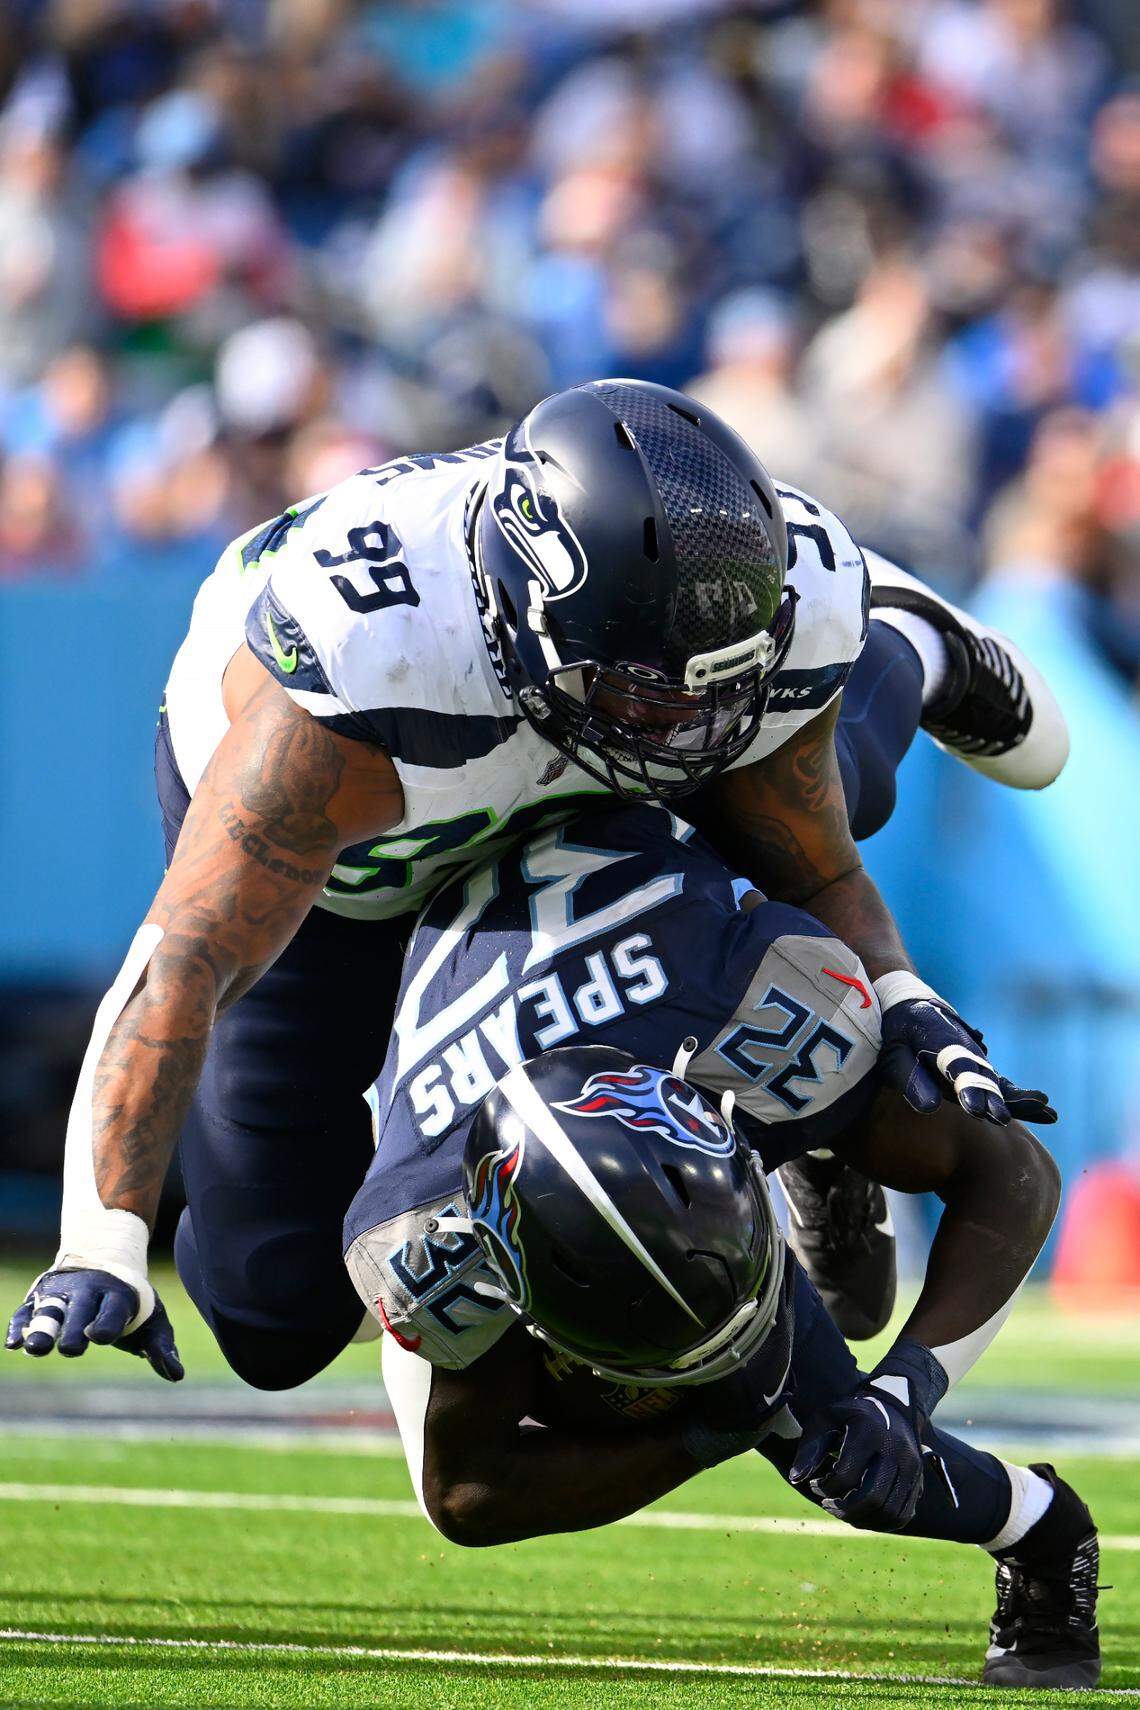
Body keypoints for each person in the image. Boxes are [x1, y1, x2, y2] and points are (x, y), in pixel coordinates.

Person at [6, 379, 1068, 1388]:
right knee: (272, 1314)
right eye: (643, 687)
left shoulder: (772, 602)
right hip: (354, 886)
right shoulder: (359, 675)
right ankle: (911, 637)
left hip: (572, 807)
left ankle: (907, 652)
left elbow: (822, 866)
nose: (686, 726)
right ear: (526, 614)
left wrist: (900, 998)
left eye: (713, 682)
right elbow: (180, 965)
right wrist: (101, 1240)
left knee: (809, 798)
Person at [339, 810, 1096, 1689]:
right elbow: (468, 1495)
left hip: (683, 957)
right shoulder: (428, 1234)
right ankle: (1042, 1523)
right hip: (499, 1052)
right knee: (271, 1316)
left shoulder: (766, 994)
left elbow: (1013, 1171)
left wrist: (905, 1392)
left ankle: (927, 666)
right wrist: (708, 1432)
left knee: (864, 752)